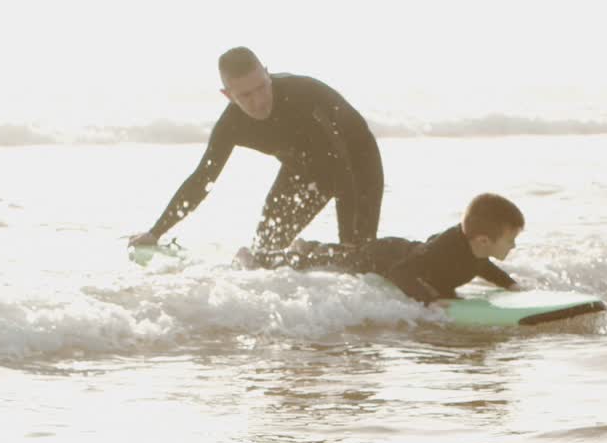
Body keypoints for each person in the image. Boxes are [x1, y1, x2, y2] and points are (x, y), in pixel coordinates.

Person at [128, 47, 384, 251]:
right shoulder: (231, 125)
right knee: (265, 250)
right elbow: (203, 179)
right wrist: (156, 231)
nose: (259, 101)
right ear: (228, 95)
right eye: (246, 95)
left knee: (356, 253)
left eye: (262, 87)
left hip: (356, 163)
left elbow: (343, 167)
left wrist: (349, 242)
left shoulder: (304, 95)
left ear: (267, 73)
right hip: (301, 169)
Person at [235, 193, 525, 305]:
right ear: (484, 240)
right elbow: (401, 273)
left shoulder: (475, 251)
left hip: (397, 251)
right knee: (328, 262)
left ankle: (306, 247)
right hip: (381, 257)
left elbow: (481, 265)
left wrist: (509, 284)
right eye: (510, 240)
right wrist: (430, 300)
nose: (513, 245)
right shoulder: (443, 251)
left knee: (333, 254)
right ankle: (259, 258)